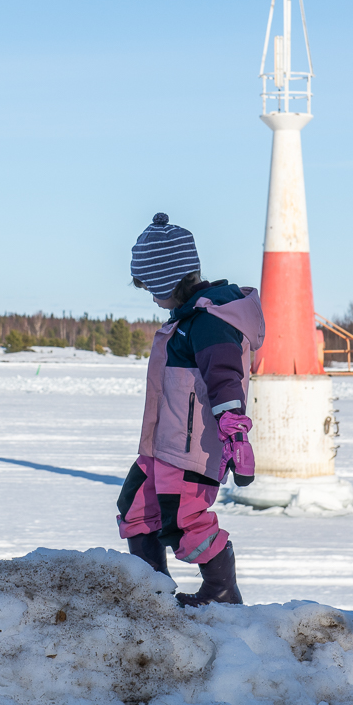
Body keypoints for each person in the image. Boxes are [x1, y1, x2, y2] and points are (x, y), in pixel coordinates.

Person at [116, 214, 264, 607]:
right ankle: (153, 591)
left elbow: (226, 379)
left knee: (184, 523)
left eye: (151, 286)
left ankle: (221, 590)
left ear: (169, 280)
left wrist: (235, 432)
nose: (150, 295)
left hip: (190, 449)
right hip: (161, 444)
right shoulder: (186, 321)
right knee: (136, 507)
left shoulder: (209, 323)